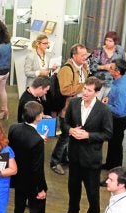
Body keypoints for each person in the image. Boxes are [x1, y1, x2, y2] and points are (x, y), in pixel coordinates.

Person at [58, 77, 113, 213]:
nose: (85, 92)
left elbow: (108, 134)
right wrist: (70, 130)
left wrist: (88, 135)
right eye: (84, 89)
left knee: (92, 191)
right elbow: (64, 123)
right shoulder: (74, 103)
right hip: (74, 155)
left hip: (91, 158)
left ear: (96, 92)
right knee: (73, 187)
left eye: (89, 90)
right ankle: (72, 212)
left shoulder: (103, 110)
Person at [9, 101, 53, 213]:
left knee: (19, 206)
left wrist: (39, 138)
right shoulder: (37, 140)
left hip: (17, 176)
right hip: (32, 182)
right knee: (37, 210)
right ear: (38, 117)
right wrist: (41, 188)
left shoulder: (14, 128)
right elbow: (37, 169)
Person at [50, 43, 90, 176]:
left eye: (86, 54)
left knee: (72, 135)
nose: (86, 57)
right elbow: (66, 90)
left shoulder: (83, 66)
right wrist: (84, 86)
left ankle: (64, 158)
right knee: (65, 136)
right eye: (82, 55)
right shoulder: (66, 70)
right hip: (67, 110)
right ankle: (55, 162)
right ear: (74, 55)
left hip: (79, 108)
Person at [102, 59, 126, 171]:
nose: (108, 69)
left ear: (117, 72)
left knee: (115, 145)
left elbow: (118, 110)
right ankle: (109, 164)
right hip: (119, 116)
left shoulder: (121, 88)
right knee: (113, 143)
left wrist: (105, 105)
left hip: (119, 119)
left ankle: (115, 169)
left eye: (111, 68)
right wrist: (108, 97)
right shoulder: (122, 78)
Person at [89, 31, 126, 99]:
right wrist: (103, 67)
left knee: (108, 104)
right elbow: (91, 67)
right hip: (99, 83)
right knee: (96, 102)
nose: (107, 43)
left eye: (110, 41)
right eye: (106, 40)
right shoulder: (99, 51)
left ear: (115, 42)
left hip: (114, 83)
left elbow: (123, 64)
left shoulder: (120, 50)